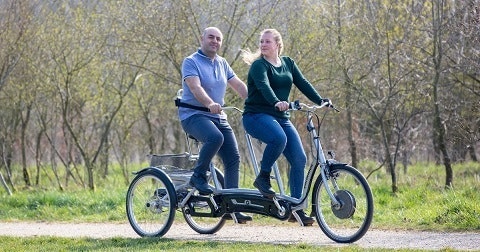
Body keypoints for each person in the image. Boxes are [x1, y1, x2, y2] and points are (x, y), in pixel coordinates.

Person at [241, 28, 330, 226]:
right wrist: (276, 101)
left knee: (299, 159)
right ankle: (263, 178)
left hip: (281, 117)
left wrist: (320, 99)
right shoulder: (258, 65)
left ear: (278, 45)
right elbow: (264, 86)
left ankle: (296, 209)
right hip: (256, 116)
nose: (263, 45)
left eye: (267, 41)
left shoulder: (288, 62)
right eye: (261, 41)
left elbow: (302, 82)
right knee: (278, 138)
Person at [178, 27, 251, 223]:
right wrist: (210, 103)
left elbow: (238, 85)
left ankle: (232, 205)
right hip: (193, 115)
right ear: (202, 39)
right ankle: (198, 176)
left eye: (219, 39)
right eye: (211, 37)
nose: (215, 41)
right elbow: (195, 87)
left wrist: (254, 99)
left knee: (233, 157)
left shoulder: (223, 63)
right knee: (215, 137)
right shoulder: (191, 61)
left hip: (218, 117)